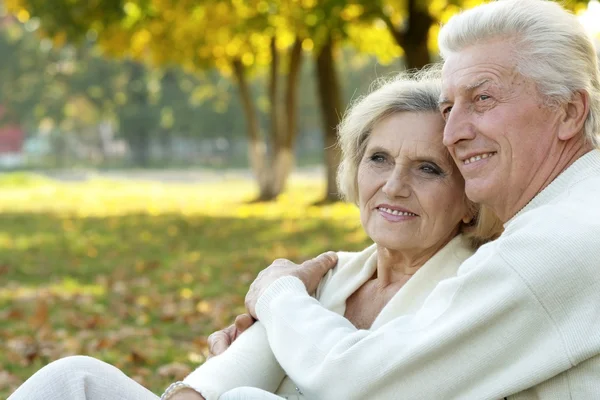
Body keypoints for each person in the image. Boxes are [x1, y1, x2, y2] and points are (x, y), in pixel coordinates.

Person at [6, 71, 501, 400]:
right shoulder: (330, 275)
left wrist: (278, 301)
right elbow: (207, 389)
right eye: (379, 159)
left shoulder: (471, 289)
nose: (394, 185)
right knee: (73, 379)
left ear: (468, 201)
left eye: (428, 169)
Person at [229, 0, 600, 399]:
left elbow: (362, 382)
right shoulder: (569, 216)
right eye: (448, 106)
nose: (452, 132)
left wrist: (276, 294)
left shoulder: (560, 239)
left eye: (483, 99)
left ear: (568, 111)